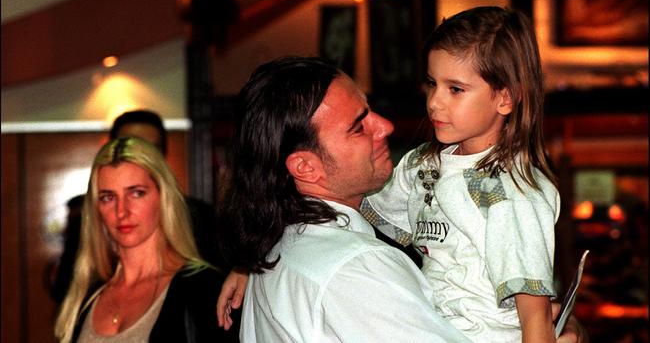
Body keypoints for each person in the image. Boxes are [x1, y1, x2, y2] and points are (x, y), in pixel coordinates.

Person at [217, 55, 587, 342]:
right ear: (306, 167)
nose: (386, 126)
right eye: (359, 126)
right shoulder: (357, 268)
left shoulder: (281, 248)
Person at [360, 6, 559, 342]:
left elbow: (536, 319)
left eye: (455, 89)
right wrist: (265, 262)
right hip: (426, 327)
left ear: (506, 97)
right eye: (431, 83)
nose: (434, 102)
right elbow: (341, 210)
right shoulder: (422, 165)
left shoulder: (510, 194)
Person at [54, 137, 238, 342]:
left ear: (163, 196)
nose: (121, 211)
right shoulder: (86, 294)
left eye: (136, 193)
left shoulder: (203, 289)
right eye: (108, 197)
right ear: (96, 209)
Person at [109, 110, 224, 269]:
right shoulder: (92, 219)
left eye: (151, 149)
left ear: (163, 154)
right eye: (131, 148)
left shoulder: (200, 218)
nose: (141, 158)